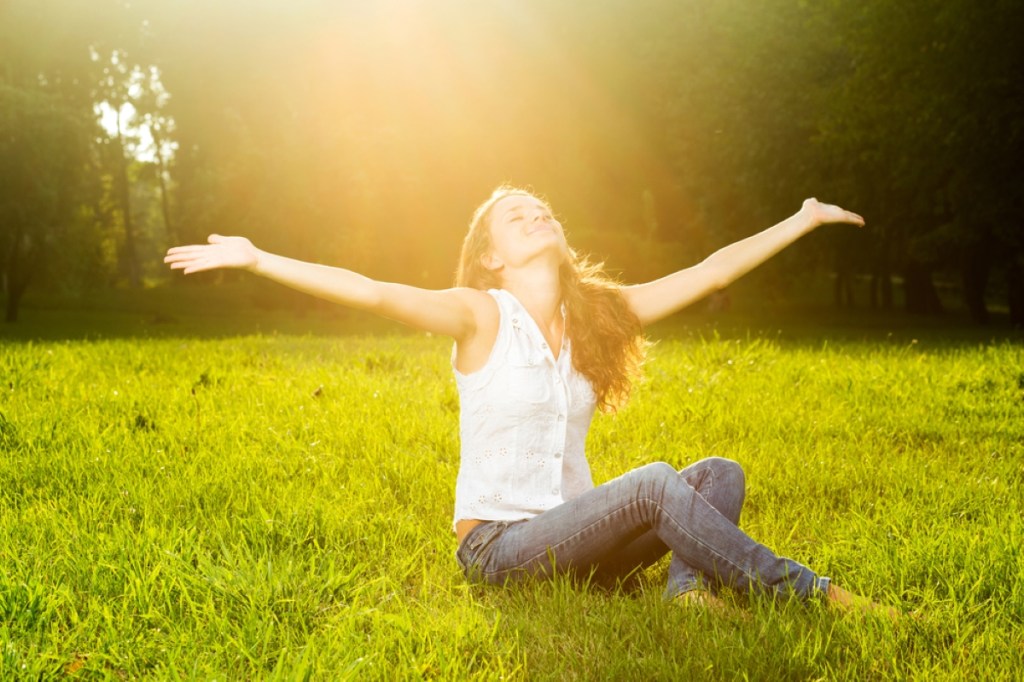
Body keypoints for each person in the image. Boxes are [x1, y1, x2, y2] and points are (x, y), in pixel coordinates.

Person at [165, 186, 892, 616]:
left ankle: (686, 591)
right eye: (519, 218)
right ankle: (812, 594)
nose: (538, 216)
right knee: (652, 485)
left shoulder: (596, 317)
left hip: (580, 550)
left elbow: (708, 271)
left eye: (542, 210)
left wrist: (800, 219)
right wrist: (260, 259)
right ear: (492, 256)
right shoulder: (479, 314)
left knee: (719, 472)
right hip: (500, 551)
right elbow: (378, 292)